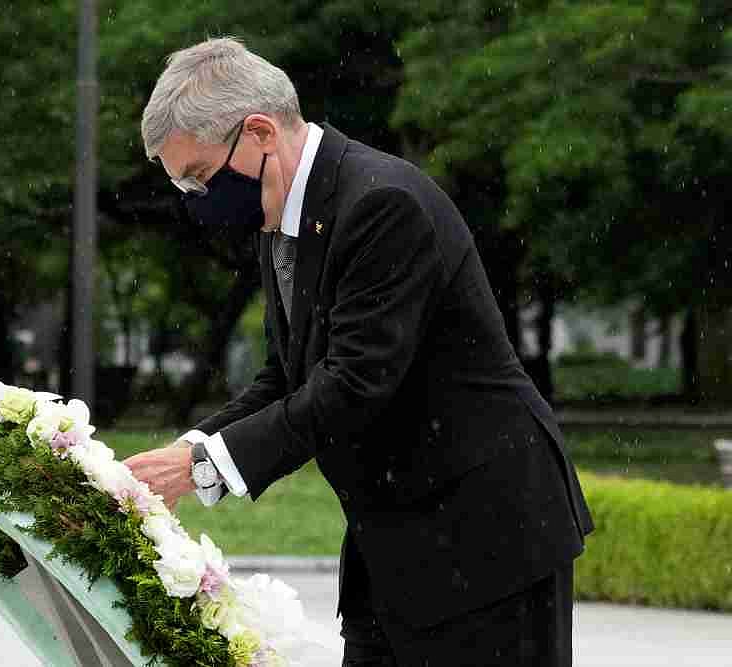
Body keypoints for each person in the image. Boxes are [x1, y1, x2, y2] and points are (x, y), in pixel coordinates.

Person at [124, 37, 593, 666]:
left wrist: (209, 467)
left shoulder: (380, 204)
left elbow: (353, 385)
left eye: (201, 179)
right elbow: (288, 376)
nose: (199, 203)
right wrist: (187, 450)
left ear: (259, 131)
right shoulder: (284, 212)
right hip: (396, 549)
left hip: (484, 539)